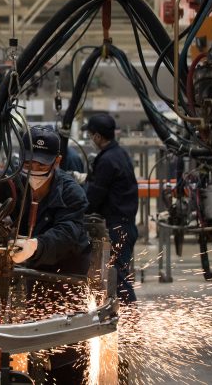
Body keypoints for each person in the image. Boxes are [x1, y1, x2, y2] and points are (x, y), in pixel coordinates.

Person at [0, 126, 91, 383]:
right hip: (24, 278)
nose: (33, 168)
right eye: (28, 161)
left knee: (64, 351)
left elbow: (70, 232)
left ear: (57, 161)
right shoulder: (14, 182)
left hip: (63, 280)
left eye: (41, 163)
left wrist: (38, 245)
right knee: (12, 341)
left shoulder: (70, 192)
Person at [82, 113, 139, 304]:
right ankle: (127, 321)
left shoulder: (106, 160)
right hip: (126, 224)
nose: (91, 140)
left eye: (91, 135)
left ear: (98, 136)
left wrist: (78, 209)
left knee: (119, 277)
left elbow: (94, 198)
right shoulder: (119, 154)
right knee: (119, 274)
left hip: (118, 227)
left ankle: (133, 323)